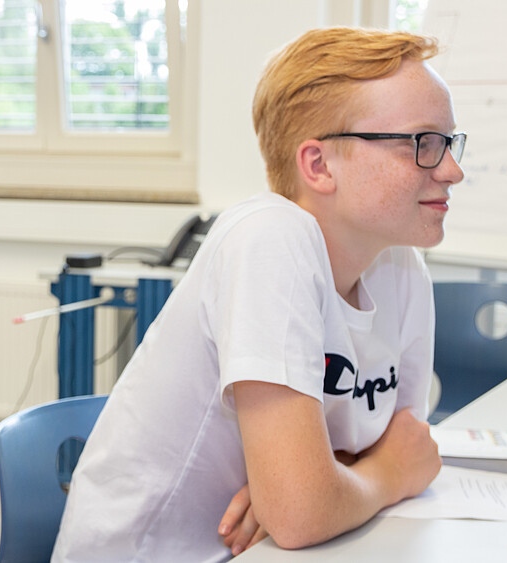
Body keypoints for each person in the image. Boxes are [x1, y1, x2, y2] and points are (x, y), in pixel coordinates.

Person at [53, 26, 463, 562]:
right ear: (319, 165)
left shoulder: (400, 265)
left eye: (449, 142)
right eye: (422, 144)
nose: (452, 170)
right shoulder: (269, 237)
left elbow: (404, 442)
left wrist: (327, 480)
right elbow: (317, 505)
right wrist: (368, 478)